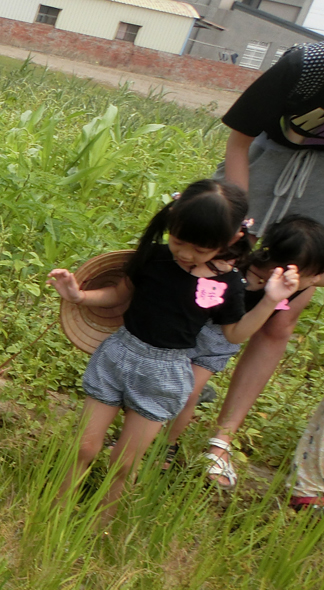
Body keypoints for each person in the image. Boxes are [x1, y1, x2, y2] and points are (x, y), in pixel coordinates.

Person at [48, 180, 295, 521]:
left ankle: (101, 524)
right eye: (179, 241)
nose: (186, 254)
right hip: (118, 355)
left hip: (166, 373)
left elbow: (235, 333)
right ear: (171, 220)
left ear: (231, 241)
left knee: (125, 461)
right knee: (84, 446)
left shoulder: (227, 284)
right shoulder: (153, 258)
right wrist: (79, 296)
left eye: (201, 249)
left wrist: (270, 300)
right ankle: (54, 513)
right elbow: (119, 295)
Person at [207, 43, 324, 485]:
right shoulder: (307, 66)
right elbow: (239, 141)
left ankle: (221, 440)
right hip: (262, 167)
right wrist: (242, 220)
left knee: (279, 318)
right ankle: (162, 405)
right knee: (209, 285)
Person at [164, 215, 324, 478]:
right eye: (315, 274)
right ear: (286, 270)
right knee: (168, 384)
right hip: (191, 330)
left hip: (219, 344)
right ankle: (146, 432)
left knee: (188, 390)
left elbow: (237, 335)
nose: (318, 280)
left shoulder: (287, 285)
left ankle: (165, 447)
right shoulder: (236, 266)